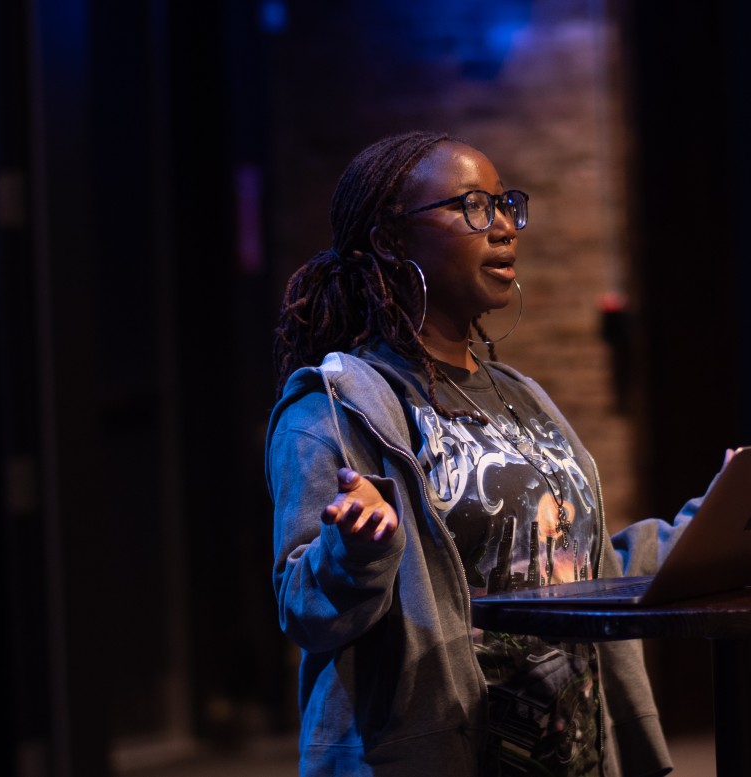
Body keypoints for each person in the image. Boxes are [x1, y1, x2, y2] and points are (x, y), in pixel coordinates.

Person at [266, 130, 704, 776]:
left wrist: (708, 529)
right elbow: (302, 605)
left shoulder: (523, 397)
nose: (504, 228)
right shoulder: (333, 407)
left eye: (507, 205)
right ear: (391, 239)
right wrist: (354, 552)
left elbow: (572, 565)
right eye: (474, 207)